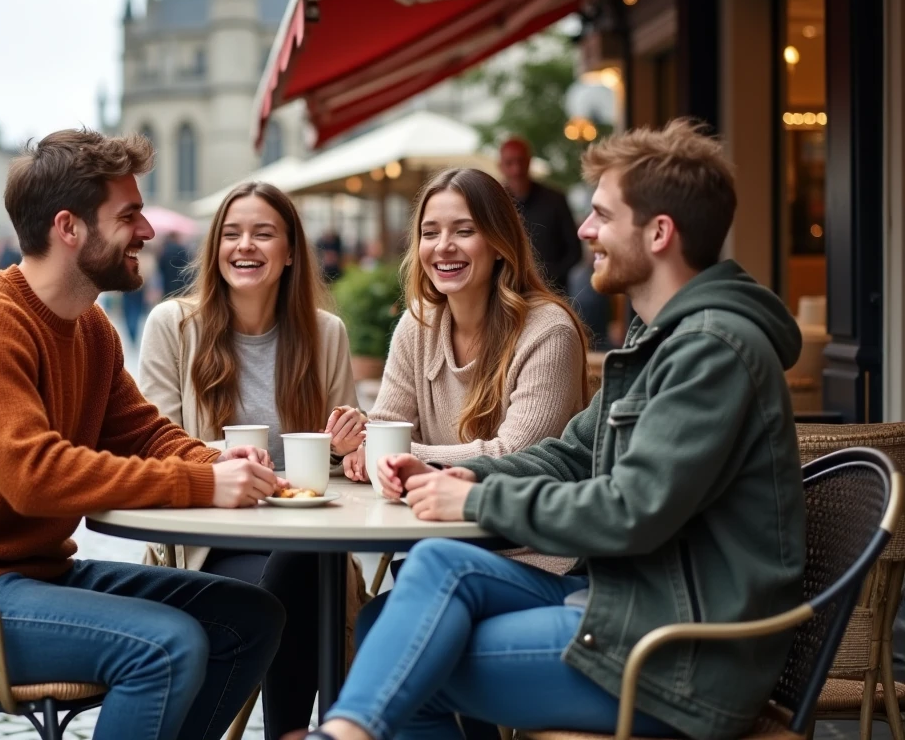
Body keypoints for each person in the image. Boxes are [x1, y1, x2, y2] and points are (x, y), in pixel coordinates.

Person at [292, 120, 806, 740]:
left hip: (679, 654)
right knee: (423, 583)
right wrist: (462, 475)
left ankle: (338, 736)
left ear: (660, 233)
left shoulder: (712, 351)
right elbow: (567, 454)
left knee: (408, 657)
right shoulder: (657, 342)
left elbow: (630, 510)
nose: (584, 230)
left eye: (602, 216)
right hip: (625, 603)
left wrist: (477, 498)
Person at [0, 129, 286, 740]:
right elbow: (33, 477)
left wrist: (214, 457)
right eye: (129, 216)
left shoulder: (90, 328)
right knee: (163, 648)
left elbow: (140, 431)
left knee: (249, 616)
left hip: (29, 579)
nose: (146, 232)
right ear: (70, 228)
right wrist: (202, 482)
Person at [139, 181, 365, 739]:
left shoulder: (325, 334)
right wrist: (226, 459)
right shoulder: (173, 327)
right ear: (215, 249)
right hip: (211, 541)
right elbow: (154, 442)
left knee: (308, 562)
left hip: (306, 539)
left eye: (264, 233)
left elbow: (344, 464)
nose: (247, 246)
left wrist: (346, 446)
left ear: (290, 251)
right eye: (233, 234)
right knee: (310, 577)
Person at [342, 167, 589, 478]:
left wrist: (393, 450)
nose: (443, 246)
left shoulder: (548, 331)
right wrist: (349, 445)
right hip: (424, 514)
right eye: (430, 233)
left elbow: (516, 454)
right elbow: (383, 428)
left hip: (512, 521)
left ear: (500, 244)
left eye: (464, 230)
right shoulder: (417, 324)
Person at [499, 137, 582, 294]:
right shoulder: (494, 203)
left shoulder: (556, 200)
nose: (516, 169)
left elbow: (574, 251)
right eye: (510, 163)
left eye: (520, 161)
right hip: (507, 292)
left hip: (553, 291)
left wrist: (550, 278)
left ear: (529, 162)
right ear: (500, 166)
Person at [158, 231, 192, 297]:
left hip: (167, 281)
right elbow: (187, 264)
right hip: (180, 280)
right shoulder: (181, 249)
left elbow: (161, 266)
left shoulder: (165, 250)